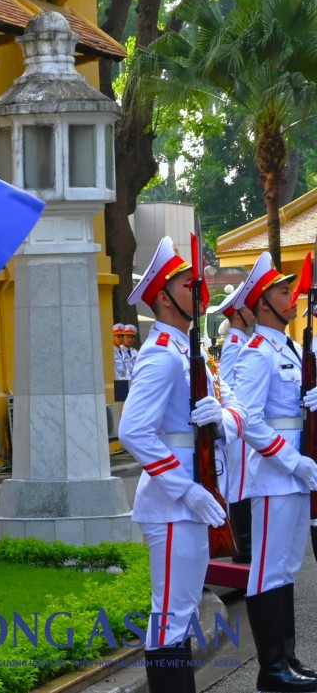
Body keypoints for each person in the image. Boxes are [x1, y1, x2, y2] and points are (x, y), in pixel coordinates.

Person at [119, 237, 247, 693]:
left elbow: (237, 408)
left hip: (195, 498)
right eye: (186, 284)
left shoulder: (190, 354)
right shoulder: (160, 357)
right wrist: (185, 488)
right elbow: (133, 431)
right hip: (175, 505)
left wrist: (225, 420)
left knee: (183, 612)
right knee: (172, 615)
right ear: (162, 296)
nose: (198, 290)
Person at [230, 252, 317, 693]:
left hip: (299, 472)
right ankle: (271, 669)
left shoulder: (293, 348)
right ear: (264, 302)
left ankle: (289, 659)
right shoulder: (256, 354)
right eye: (284, 292)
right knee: (268, 570)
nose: (293, 296)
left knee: (286, 566)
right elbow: (249, 419)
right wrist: (293, 460)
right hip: (274, 473)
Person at [208, 280, 254, 562]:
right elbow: (223, 384)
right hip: (237, 427)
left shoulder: (242, 341)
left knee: (243, 483)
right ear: (238, 313)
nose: (253, 311)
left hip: (242, 423)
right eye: (249, 306)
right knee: (238, 484)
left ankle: (244, 544)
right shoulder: (236, 345)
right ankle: (242, 547)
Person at [113, 324, 131, 401]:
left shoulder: (124, 351)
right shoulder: (111, 352)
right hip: (118, 385)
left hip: (127, 383)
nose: (121, 338)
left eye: (122, 336)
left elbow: (127, 368)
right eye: (118, 336)